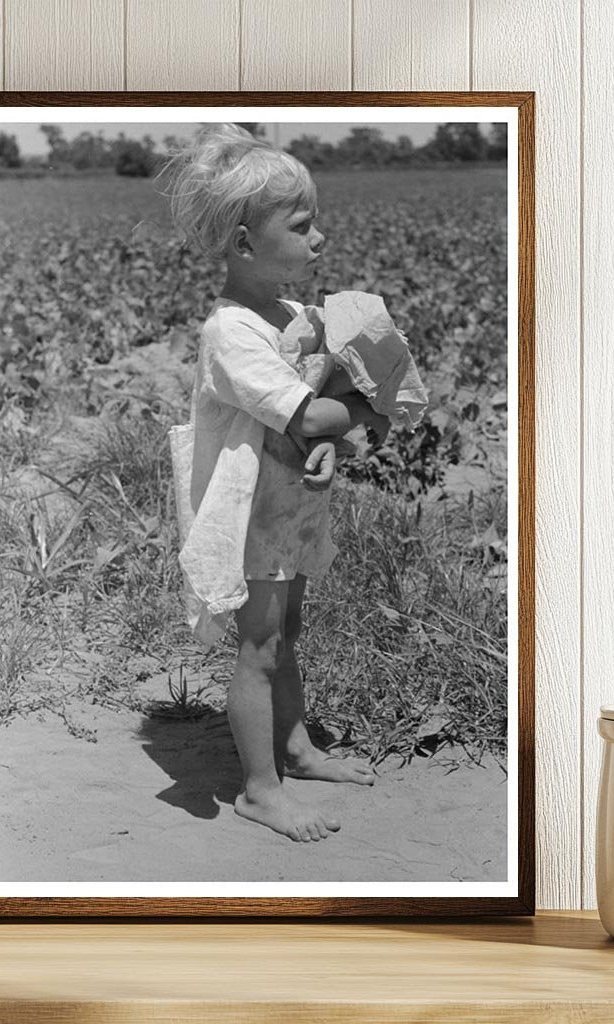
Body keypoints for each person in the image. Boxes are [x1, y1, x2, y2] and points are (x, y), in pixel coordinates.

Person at [158, 124, 398, 844]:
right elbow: (314, 408)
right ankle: (261, 790)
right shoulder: (230, 333)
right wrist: (371, 407)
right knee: (258, 646)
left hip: (290, 502)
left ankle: (295, 749)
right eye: (301, 225)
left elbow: (302, 424)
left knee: (286, 630)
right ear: (242, 245)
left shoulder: (294, 316)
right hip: (252, 514)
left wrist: (324, 443)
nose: (318, 238)